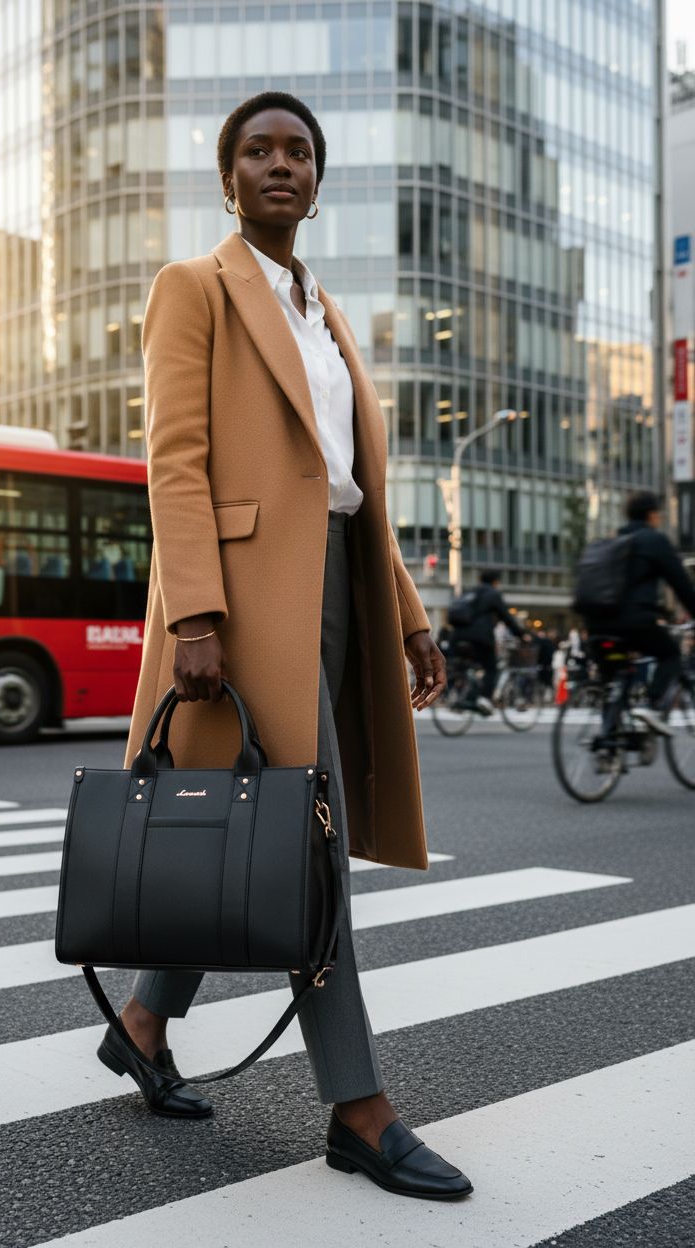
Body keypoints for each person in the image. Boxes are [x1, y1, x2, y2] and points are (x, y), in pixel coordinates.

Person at [100, 92, 471, 1201]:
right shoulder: (194, 288)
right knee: (307, 849)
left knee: (251, 842)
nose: (279, 163)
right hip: (249, 603)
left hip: (339, 589)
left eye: (298, 151)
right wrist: (195, 617)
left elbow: (352, 487)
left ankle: (141, 1024)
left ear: (317, 180)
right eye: (257, 149)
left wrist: (403, 611)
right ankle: (359, 1109)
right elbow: (175, 460)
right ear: (228, 178)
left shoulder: (325, 310)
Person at [591, 490, 695, 737]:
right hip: (634, 621)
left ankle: (609, 741)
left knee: (613, 678)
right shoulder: (654, 541)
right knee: (670, 654)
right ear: (652, 515)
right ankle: (652, 705)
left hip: (597, 623)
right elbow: (680, 584)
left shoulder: (611, 541)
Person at [449, 570, 528, 715]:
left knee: (468, 667)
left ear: (480, 579)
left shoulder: (469, 593)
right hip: (479, 638)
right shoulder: (493, 594)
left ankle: (465, 697)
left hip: (457, 636)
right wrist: (521, 634)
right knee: (491, 668)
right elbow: (506, 617)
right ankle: (484, 700)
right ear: (496, 582)